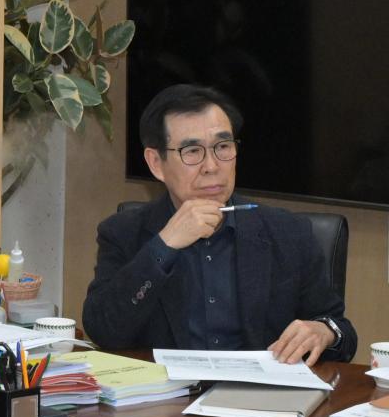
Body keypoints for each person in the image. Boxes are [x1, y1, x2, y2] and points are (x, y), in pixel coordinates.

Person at [81, 84, 356, 364]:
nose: (212, 166)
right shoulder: (123, 232)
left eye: (222, 147)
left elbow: (341, 331)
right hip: (165, 401)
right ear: (156, 163)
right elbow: (104, 331)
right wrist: (164, 246)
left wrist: (323, 332)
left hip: (258, 399)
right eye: (192, 151)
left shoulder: (288, 233)